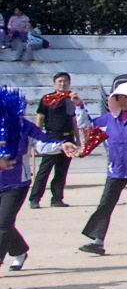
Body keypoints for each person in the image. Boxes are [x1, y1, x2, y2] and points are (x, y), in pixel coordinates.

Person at [77, 80, 127, 254]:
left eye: (126, 98)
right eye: (119, 98)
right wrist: (79, 106)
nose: (122, 101)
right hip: (116, 169)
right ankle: (98, 241)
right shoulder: (109, 119)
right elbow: (86, 126)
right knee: (105, 204)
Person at [1, 87, 68, 270]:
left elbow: (42, 144)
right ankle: (20, 251)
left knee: (3, 223)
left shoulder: (24, 127)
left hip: (15, 184)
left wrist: (62, 146)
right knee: (3, 223)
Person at [31, 72, 82, 208]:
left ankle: (57, 198)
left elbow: (74, 119)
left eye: (65, 81)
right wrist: (37, 136)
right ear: (54, 83)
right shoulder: (47, 99)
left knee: (62, 171)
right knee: (45, 169)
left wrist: (77, 138)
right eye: (59, 81)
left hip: (68, 136)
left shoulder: (71, 99)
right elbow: (40, 117)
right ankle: (35, 198)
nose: (62, 84)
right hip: (52, 137)